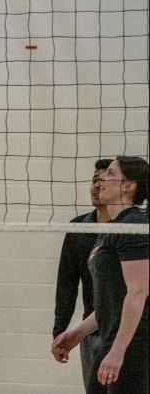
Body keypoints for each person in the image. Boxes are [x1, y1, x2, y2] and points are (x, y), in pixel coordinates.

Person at [53, 156, 149, 393]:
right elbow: (112, 299)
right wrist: (77, 332)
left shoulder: (134, 226)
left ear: (128, 185)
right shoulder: (111, 228)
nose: (100, 180)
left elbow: (138, 293)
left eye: (110, 174)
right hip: (110, 336)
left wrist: (118, 351)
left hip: (134, 343)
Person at [53, 159, 113, 387]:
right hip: (92, 328)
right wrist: (59, 332)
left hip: (127, 325)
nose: (97, 186)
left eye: (104, 180)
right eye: (94, 180)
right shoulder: (78, 228)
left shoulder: (135, 225)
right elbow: (67, 284)